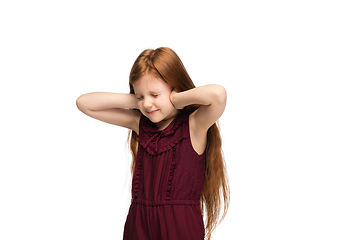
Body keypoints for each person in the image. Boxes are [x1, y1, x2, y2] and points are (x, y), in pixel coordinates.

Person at [76, 47, 229, 240]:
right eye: (140, 96)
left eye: (155, 95)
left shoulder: (194, 125)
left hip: (180, 227)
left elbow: (218, 95)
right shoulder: (139, 124)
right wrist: (138, 100)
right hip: (138, 224)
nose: (147, 104)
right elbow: (84, 103)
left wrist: (175, 99)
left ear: (175, 89)